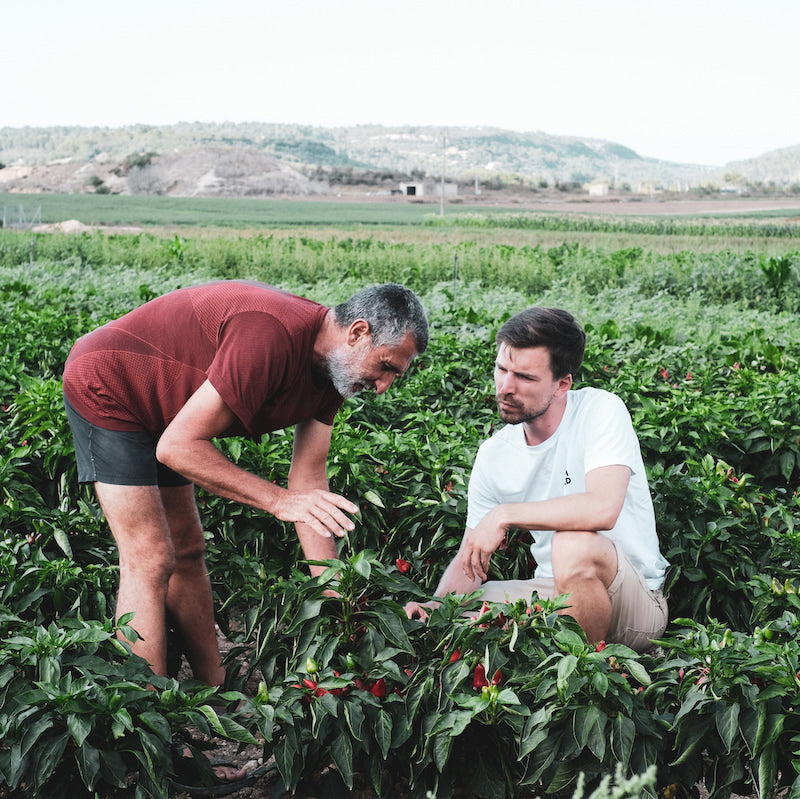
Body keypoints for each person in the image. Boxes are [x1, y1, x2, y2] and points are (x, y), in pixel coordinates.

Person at [63, 280, 429, 686]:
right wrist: (277, 500)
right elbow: (178, 448)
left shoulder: (336, 371)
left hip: (172, 414)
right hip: (110, 384)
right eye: (386, 367)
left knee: (187, 549)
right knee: (149, 557)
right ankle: (144, 722)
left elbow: (308, 479)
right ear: (358, 333)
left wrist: (337, 596)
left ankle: (214, 690)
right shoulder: (270, 336)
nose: (383, 386)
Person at [406, 306, 668, 653]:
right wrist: (435, 607)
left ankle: (584, 672)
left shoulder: (599, 411)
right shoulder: (494, 455)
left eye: (525, 378)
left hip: (633, 604)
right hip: (554, 591)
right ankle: (546, 649)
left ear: (562, 385)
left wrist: (503, 514)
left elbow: (603, 508)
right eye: (502, 369)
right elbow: (471, 557)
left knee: (572, 546)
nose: (506, 387)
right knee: (462, 610)